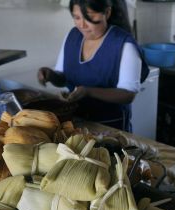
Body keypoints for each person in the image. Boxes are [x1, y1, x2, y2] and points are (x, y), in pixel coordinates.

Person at [37, 0, 149, 132]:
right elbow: (64, 78)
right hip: (75, 124)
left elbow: (128, 94)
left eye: (89, 17)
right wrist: (50, 75)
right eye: (77, 17)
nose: (82, 25)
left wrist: (88, 91)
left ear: (107, 12)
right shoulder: (73, 36)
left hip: (110, 128)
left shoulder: (123, 44)